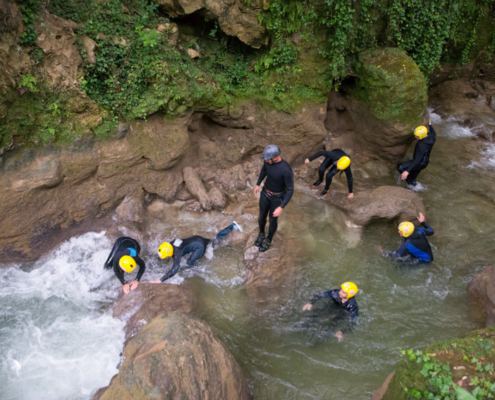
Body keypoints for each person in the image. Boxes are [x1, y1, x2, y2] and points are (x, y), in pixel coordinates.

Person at [150, 221, 242, 283]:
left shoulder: (177, 253)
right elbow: (164, 251)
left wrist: (160, 280)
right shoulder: (171, 244)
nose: (165, 258)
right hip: (197, 238)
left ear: (169, 254)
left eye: (165, 257)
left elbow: (174, 269)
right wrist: (156, 259)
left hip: (199, 247)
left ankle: (200, 270)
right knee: (215, 240)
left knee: (189, 263)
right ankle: (232, 226)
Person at [254, 145, 294, 252]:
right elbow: (264, 171)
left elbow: (290, 190)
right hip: (265, 193)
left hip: (277, 198)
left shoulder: (286, 170)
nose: (266, 160)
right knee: (261, 216)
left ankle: (269, 239)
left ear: (275, 157)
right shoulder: (268, 162)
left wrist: (281, 207)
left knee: (272, 220)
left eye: (268, 159)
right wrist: (258, 184)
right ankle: (261, 234)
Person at [398, 120, 437, 186]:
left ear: (421, 136)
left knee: (401, 167)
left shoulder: (422, 145)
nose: (415, 137)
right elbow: (434, 132)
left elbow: (417, 159)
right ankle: (415, 185)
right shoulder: (431, 137)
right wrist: (430, 125)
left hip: (420, 163)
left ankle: (411, 185)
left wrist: (407, 171)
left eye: (417, 136)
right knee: (413, 177)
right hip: (424, 162)